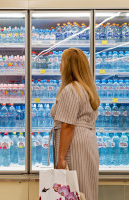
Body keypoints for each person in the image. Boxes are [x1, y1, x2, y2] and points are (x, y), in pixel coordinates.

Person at [50, 48, 100, 200]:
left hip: (74, 145)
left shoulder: (71, 89)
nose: (60, 66)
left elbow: (68, 126)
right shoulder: (87, 89)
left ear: (68, 66)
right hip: (87, 142)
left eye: (62, 62)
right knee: (85, 188)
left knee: (74, 189)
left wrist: (61, 159)